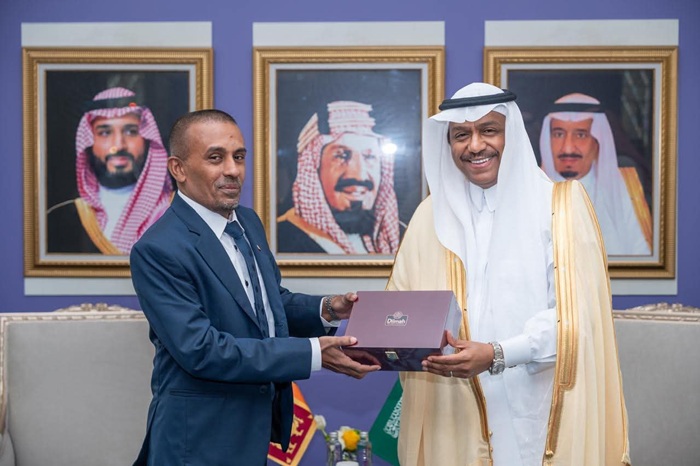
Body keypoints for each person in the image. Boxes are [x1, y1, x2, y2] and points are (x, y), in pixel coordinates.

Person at [390, 83, 630, 465]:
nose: (475, 146)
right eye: (461, 135)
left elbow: (576, 318)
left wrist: (497, 354)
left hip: (535, 409)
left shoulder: (560, 208)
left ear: (512, 134)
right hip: (451, 414)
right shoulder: (427, 218)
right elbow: (401, 309)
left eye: (489, 130)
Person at [130, 109, 380, 466]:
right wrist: (311, 353)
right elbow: (201, 350)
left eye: (239, 157)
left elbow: (266, 305)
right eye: (215, 158)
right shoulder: (159, 249)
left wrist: (327, 309)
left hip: (253, 430)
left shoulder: (247, 221)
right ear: (178, 169)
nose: (232, 170)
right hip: (197, 441)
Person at [46, 87, 173, 254]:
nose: (118, 145)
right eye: (105, 133)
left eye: (131, 132)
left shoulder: (177, 211)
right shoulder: (59, 218)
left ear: (147, 139)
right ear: (89, 142)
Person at [277, 100, 401, 254]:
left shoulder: (401, 236)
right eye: (341, 155)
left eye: (370, 157)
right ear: (314, 167)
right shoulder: (283, 239)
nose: (359, 175)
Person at [539, 92, 651, 255]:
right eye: (559, 134)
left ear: (598, 141)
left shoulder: (625, 188)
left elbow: (641, 257)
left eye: (581, 135)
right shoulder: (529, 191)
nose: (567, 147)